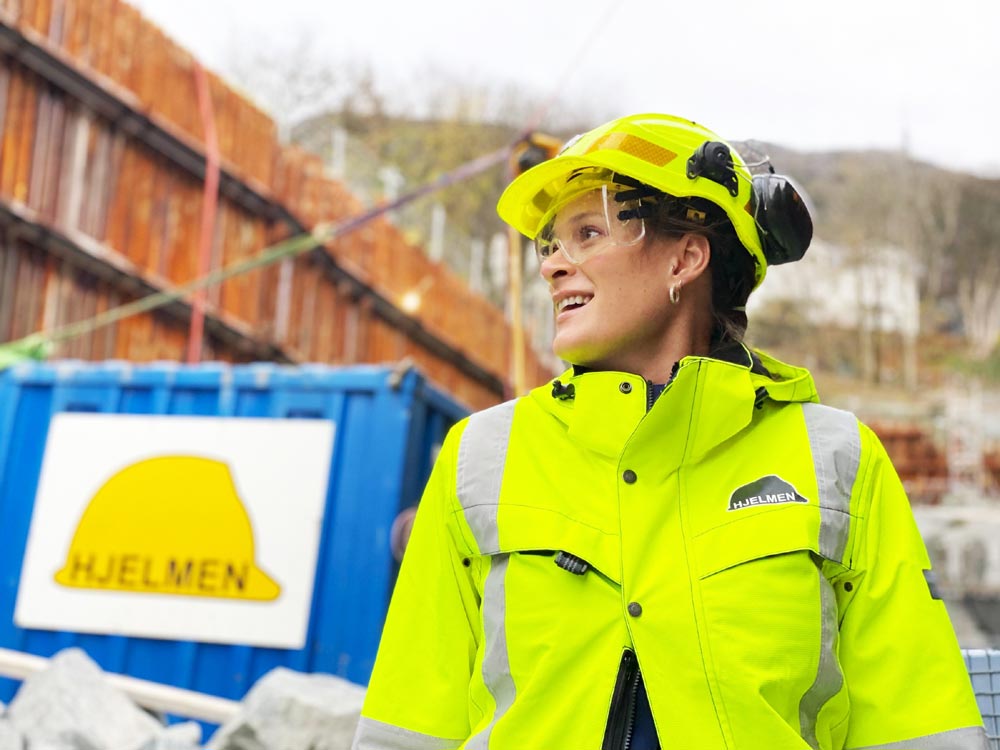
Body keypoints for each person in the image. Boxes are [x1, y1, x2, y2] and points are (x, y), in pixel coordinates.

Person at [352, 114, 986, 749]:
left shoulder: (836, 461)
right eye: (550, 246)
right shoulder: (481, 457)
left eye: (589, 233)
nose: (552, 267)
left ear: (686, 257)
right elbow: (408, 724)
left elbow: (918, 727)